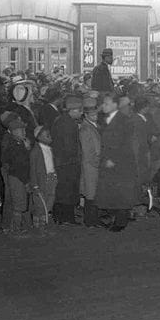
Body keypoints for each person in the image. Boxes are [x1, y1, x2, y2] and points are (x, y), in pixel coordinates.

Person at [96, 93, 137, 232]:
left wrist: (114, 159)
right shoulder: (105, 120)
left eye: (106, 103)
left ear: (115, 105)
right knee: (113, 192)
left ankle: (120, 221)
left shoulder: (124, 121)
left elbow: (126, 144)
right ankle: (115, 217)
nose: (103, 106)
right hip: (109, 162)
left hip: (120, 164)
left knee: (121, 193)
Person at [51, 95, 83, 225]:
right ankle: (67, 218)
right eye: (80, 110)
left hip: (60, 162)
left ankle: (59, 216)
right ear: (73, 110)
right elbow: (70, 147)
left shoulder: (60, 120)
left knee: (62, 190)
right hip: (68, 163)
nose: (81, 113)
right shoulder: (69, 124)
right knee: (68, 191)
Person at [3, 114, 31, 234]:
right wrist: (25, 181)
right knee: (18, 203)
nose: (24, 132)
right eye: (21, 130)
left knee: (17, 201)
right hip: (17, 177)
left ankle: (12, 226)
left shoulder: (13, 142)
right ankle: (16, 228)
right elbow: (20, 164)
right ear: (14, 132)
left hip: (15, 176)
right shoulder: (16, 146)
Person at [79, 96, 101, 227]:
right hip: (91, 167)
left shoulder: (93, 126)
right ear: (86, 115)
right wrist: (99, 163)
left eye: (96, 112)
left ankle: (93, 219)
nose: (95, 115)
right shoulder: (86, 129)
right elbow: (88, 153)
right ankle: (91, 220)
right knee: (90, 195)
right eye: (92, 113)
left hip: (94, 165)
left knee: (93, 194)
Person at [29, 125, 56, 228]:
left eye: (49, 135)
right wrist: (34, 184)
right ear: (39, 137)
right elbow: (33, 169)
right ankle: (38, 220)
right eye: (47, 136)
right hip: (41, 180)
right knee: (40, 201)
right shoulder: (35, 152)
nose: (50, 138)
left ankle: (45, 219)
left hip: (51, 177)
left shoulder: (50, 149)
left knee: (50, 198)